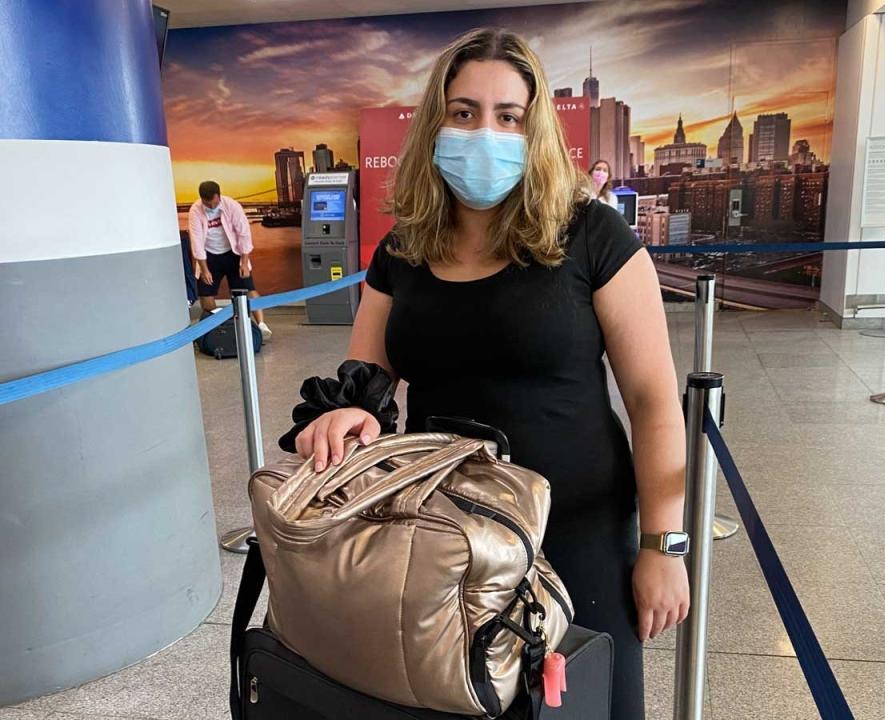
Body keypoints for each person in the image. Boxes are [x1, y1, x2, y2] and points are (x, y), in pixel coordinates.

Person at [283, 28, 688, 720]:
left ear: (535, 132)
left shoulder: (593, 236)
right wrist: (351, 415)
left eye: (508, 116)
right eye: (464, 112)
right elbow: (369, 380)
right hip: (447, 534)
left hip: (576, 531)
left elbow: (652, 400)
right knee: (457, 697)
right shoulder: (403, 249)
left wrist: (663, 545)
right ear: (436, 123)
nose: (484, 132)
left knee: (580, 703)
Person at [188, 181, 272, 341]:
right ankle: (216, 328)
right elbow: (196, 242)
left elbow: (244, 234)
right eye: (207, 203)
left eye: (214, 201)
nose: (211, 206)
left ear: (218, 196)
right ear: (202, 199)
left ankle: (261, 325)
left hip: (233, 253)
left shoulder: (232, 206)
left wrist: (244, 262)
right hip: (209, 255)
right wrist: (204, 269)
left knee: (248, 289)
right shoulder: (195, 210)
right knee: (206, 294)